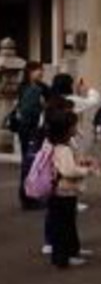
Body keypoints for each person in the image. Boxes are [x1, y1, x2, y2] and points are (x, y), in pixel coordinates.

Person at [45, 108, 98, 269]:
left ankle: (71, 251)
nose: (77, 128)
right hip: (64, 191)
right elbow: (68, 171)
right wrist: (87, 170)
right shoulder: (64, 149)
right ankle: (63, 257)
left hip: (59, 191)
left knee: (65, 224)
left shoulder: (56, 145)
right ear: (66, 129)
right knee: (64, 226)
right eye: (74, 125)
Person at [13, 61, 46, 210]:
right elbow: (29, 112)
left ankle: (27, 196)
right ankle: (29, 197)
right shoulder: (34, 90)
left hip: (23, 130)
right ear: (30, 72)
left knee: (28, 163)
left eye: (41, 70)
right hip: (30, 130)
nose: (40, 73)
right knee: (31, 163)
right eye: (37, 70)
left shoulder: (25, 88)